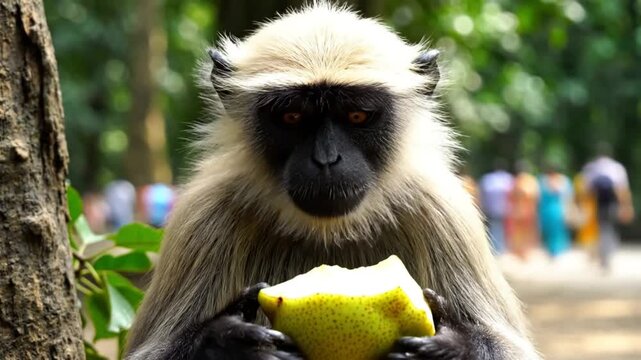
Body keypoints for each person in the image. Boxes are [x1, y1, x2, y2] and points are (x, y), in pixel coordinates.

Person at [582, 143, 635, 271]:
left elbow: (587, 190)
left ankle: (604, 255)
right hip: (613, 203)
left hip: (598, 203)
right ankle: (608, 253)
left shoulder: (592, 167)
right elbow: (622, 189)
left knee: (602, 228)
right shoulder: (617, 167)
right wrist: (627, 206)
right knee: (610, 227)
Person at [505, 161, 540, 260]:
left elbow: (532, 195)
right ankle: (519, 252)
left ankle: (525, 252)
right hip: (521, 210)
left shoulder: (526, 181)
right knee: (519, 232)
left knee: (526, 232)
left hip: (526, 209)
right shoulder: (519, 181)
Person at [538, 162, 573, 257]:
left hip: (550, 209)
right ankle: (555, 250)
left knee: (555, 230)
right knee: (556, 230)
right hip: (557, 208)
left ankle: (555, 251)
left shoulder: (543, 180)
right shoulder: (564, 180)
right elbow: (569, 195)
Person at [479, 160, 514, 254]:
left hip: (492, 209)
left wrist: (484, 207)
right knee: (505, 229)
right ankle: (503, 249)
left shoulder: (488, 180)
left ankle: (496, 249)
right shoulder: (508, 179)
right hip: (506, 209)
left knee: (494, 229)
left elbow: (483, 195)